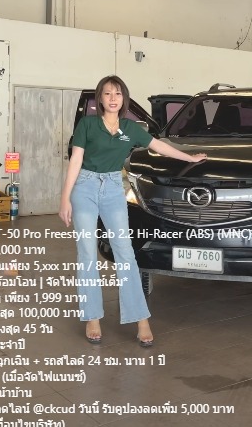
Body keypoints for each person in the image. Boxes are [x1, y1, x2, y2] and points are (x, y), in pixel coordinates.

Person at [59, 75, 207, 347]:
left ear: (124, 98)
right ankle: (92, 316)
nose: (112, 98)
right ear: (100, 98)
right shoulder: (88, 124)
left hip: (114, 188)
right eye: (107, 93)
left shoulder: (130, 128)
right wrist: (65, 198)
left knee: (125, 253)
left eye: (117, 93)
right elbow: (76, 159)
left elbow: (158, 146)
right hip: (85, 187)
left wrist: (189, 157)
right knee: (87, 253)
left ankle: (141, 319)